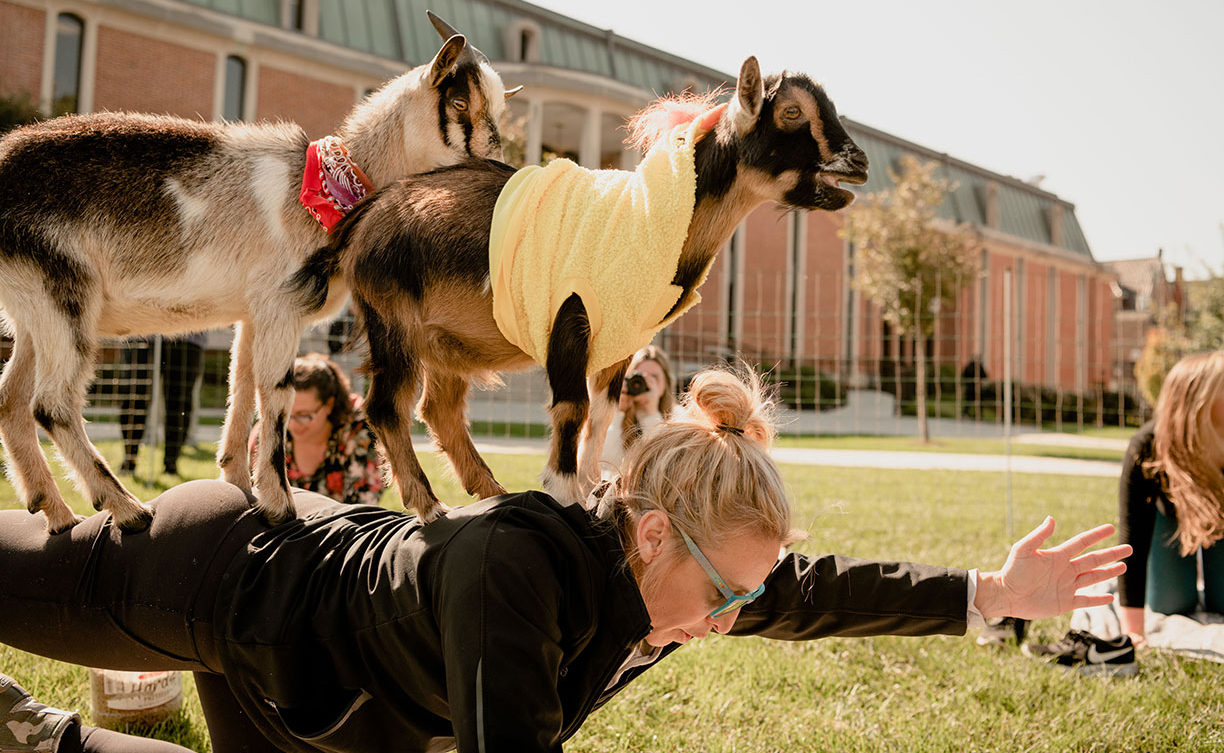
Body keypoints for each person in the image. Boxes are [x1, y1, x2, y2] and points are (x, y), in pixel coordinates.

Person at [0, 366, 1130, 753]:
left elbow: (821, 593)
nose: (734, 619)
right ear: (649, 532)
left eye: (746, 597)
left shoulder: (686, 577)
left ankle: (36, 735)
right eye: (728, 593)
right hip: (225, 569)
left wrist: (990, 594)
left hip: (346, 696)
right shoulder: (515, 575)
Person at [1116, 350, 1224, 647]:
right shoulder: (1146, 446)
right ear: (1198, 402)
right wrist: (1134, 632)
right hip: (1169, 522)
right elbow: (1132, 540)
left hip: (1221, 523)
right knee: (1171, 602)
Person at [250, 353, 384, 506]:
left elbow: (361, 511)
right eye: (287, 414)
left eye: (304, 415)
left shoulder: (359, 432)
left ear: (329, 405)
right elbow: (252, 500)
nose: (292, 425)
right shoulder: (271, 429)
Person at [118, 333, 206, 475]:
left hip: (187, 333)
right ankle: (129, 459)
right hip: (142, 331)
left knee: (179, 401)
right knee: (134, 394)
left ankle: (171, 464)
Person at [600, 345, 675, 474]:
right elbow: (606, 463)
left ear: (664, 385)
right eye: (638, 377)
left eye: (654, 378)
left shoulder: (678, 418)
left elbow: (663, 465)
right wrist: (617, 414)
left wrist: (651, 416)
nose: (645, 383)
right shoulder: (615, 415)